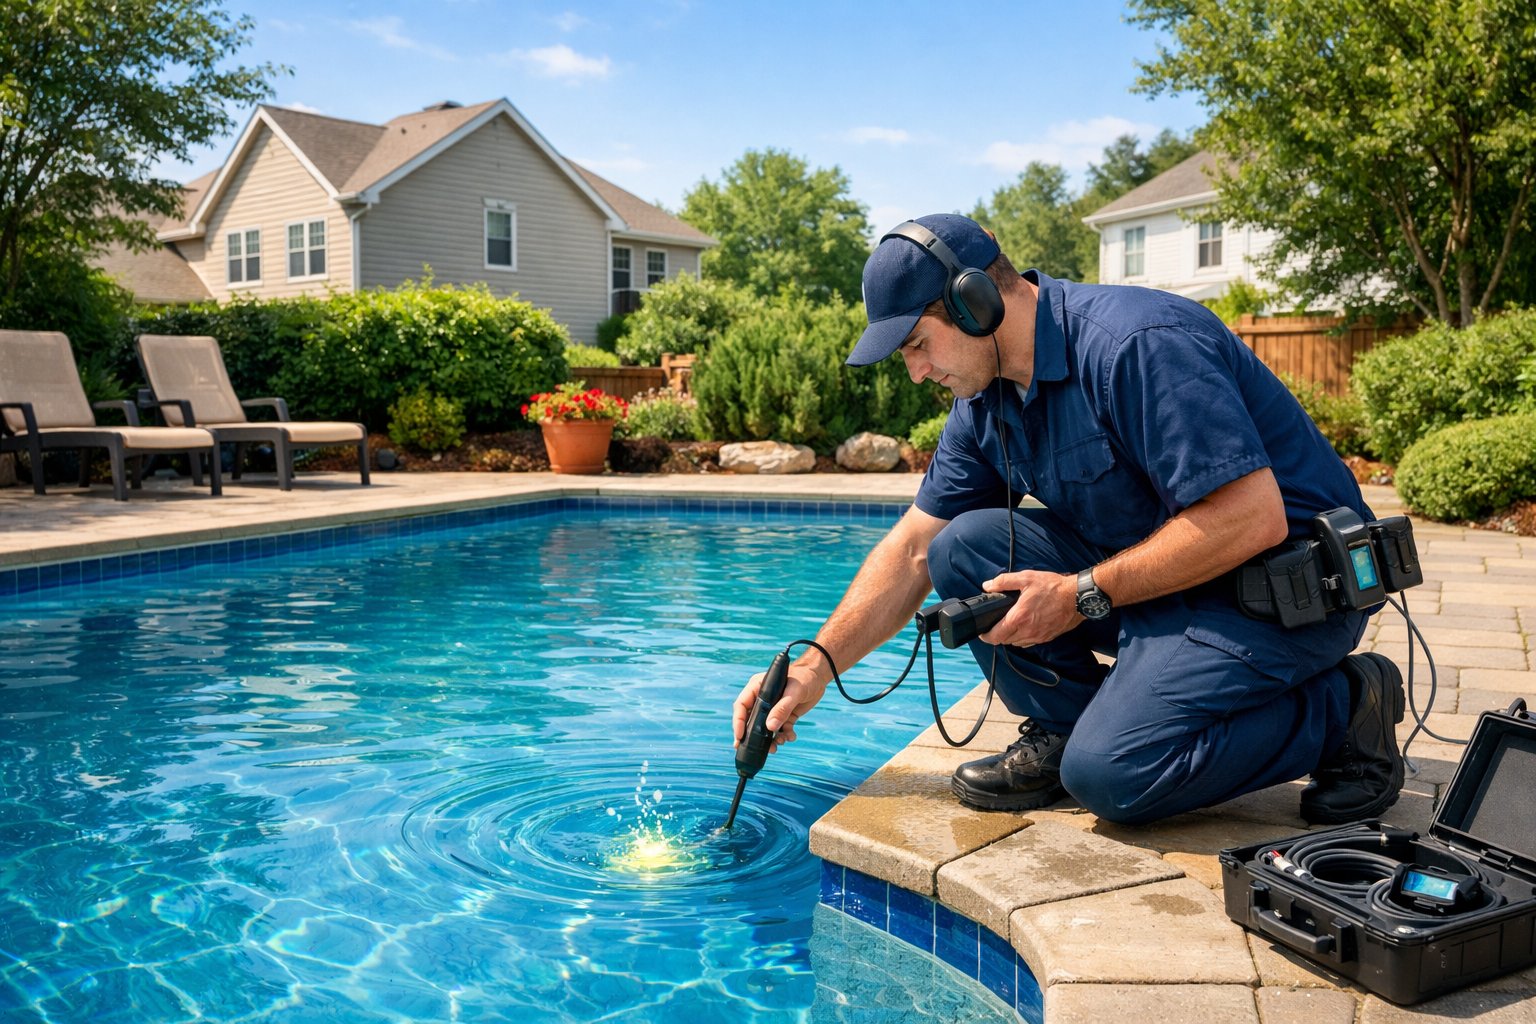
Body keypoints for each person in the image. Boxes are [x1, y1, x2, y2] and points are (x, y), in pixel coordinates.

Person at [731, 212, 1406, 826]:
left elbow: (1249, 518)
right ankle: (1067, 729)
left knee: (1113, 777)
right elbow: (914, 549)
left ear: (976, 303)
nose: (914, 372)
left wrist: (1084, 594)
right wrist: (816, 666)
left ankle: (1346, 709)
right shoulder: (985, 405)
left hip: (1276, 599)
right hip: (1160, 585)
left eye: (915, 344)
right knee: (963, 547)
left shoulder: (1137, 344)